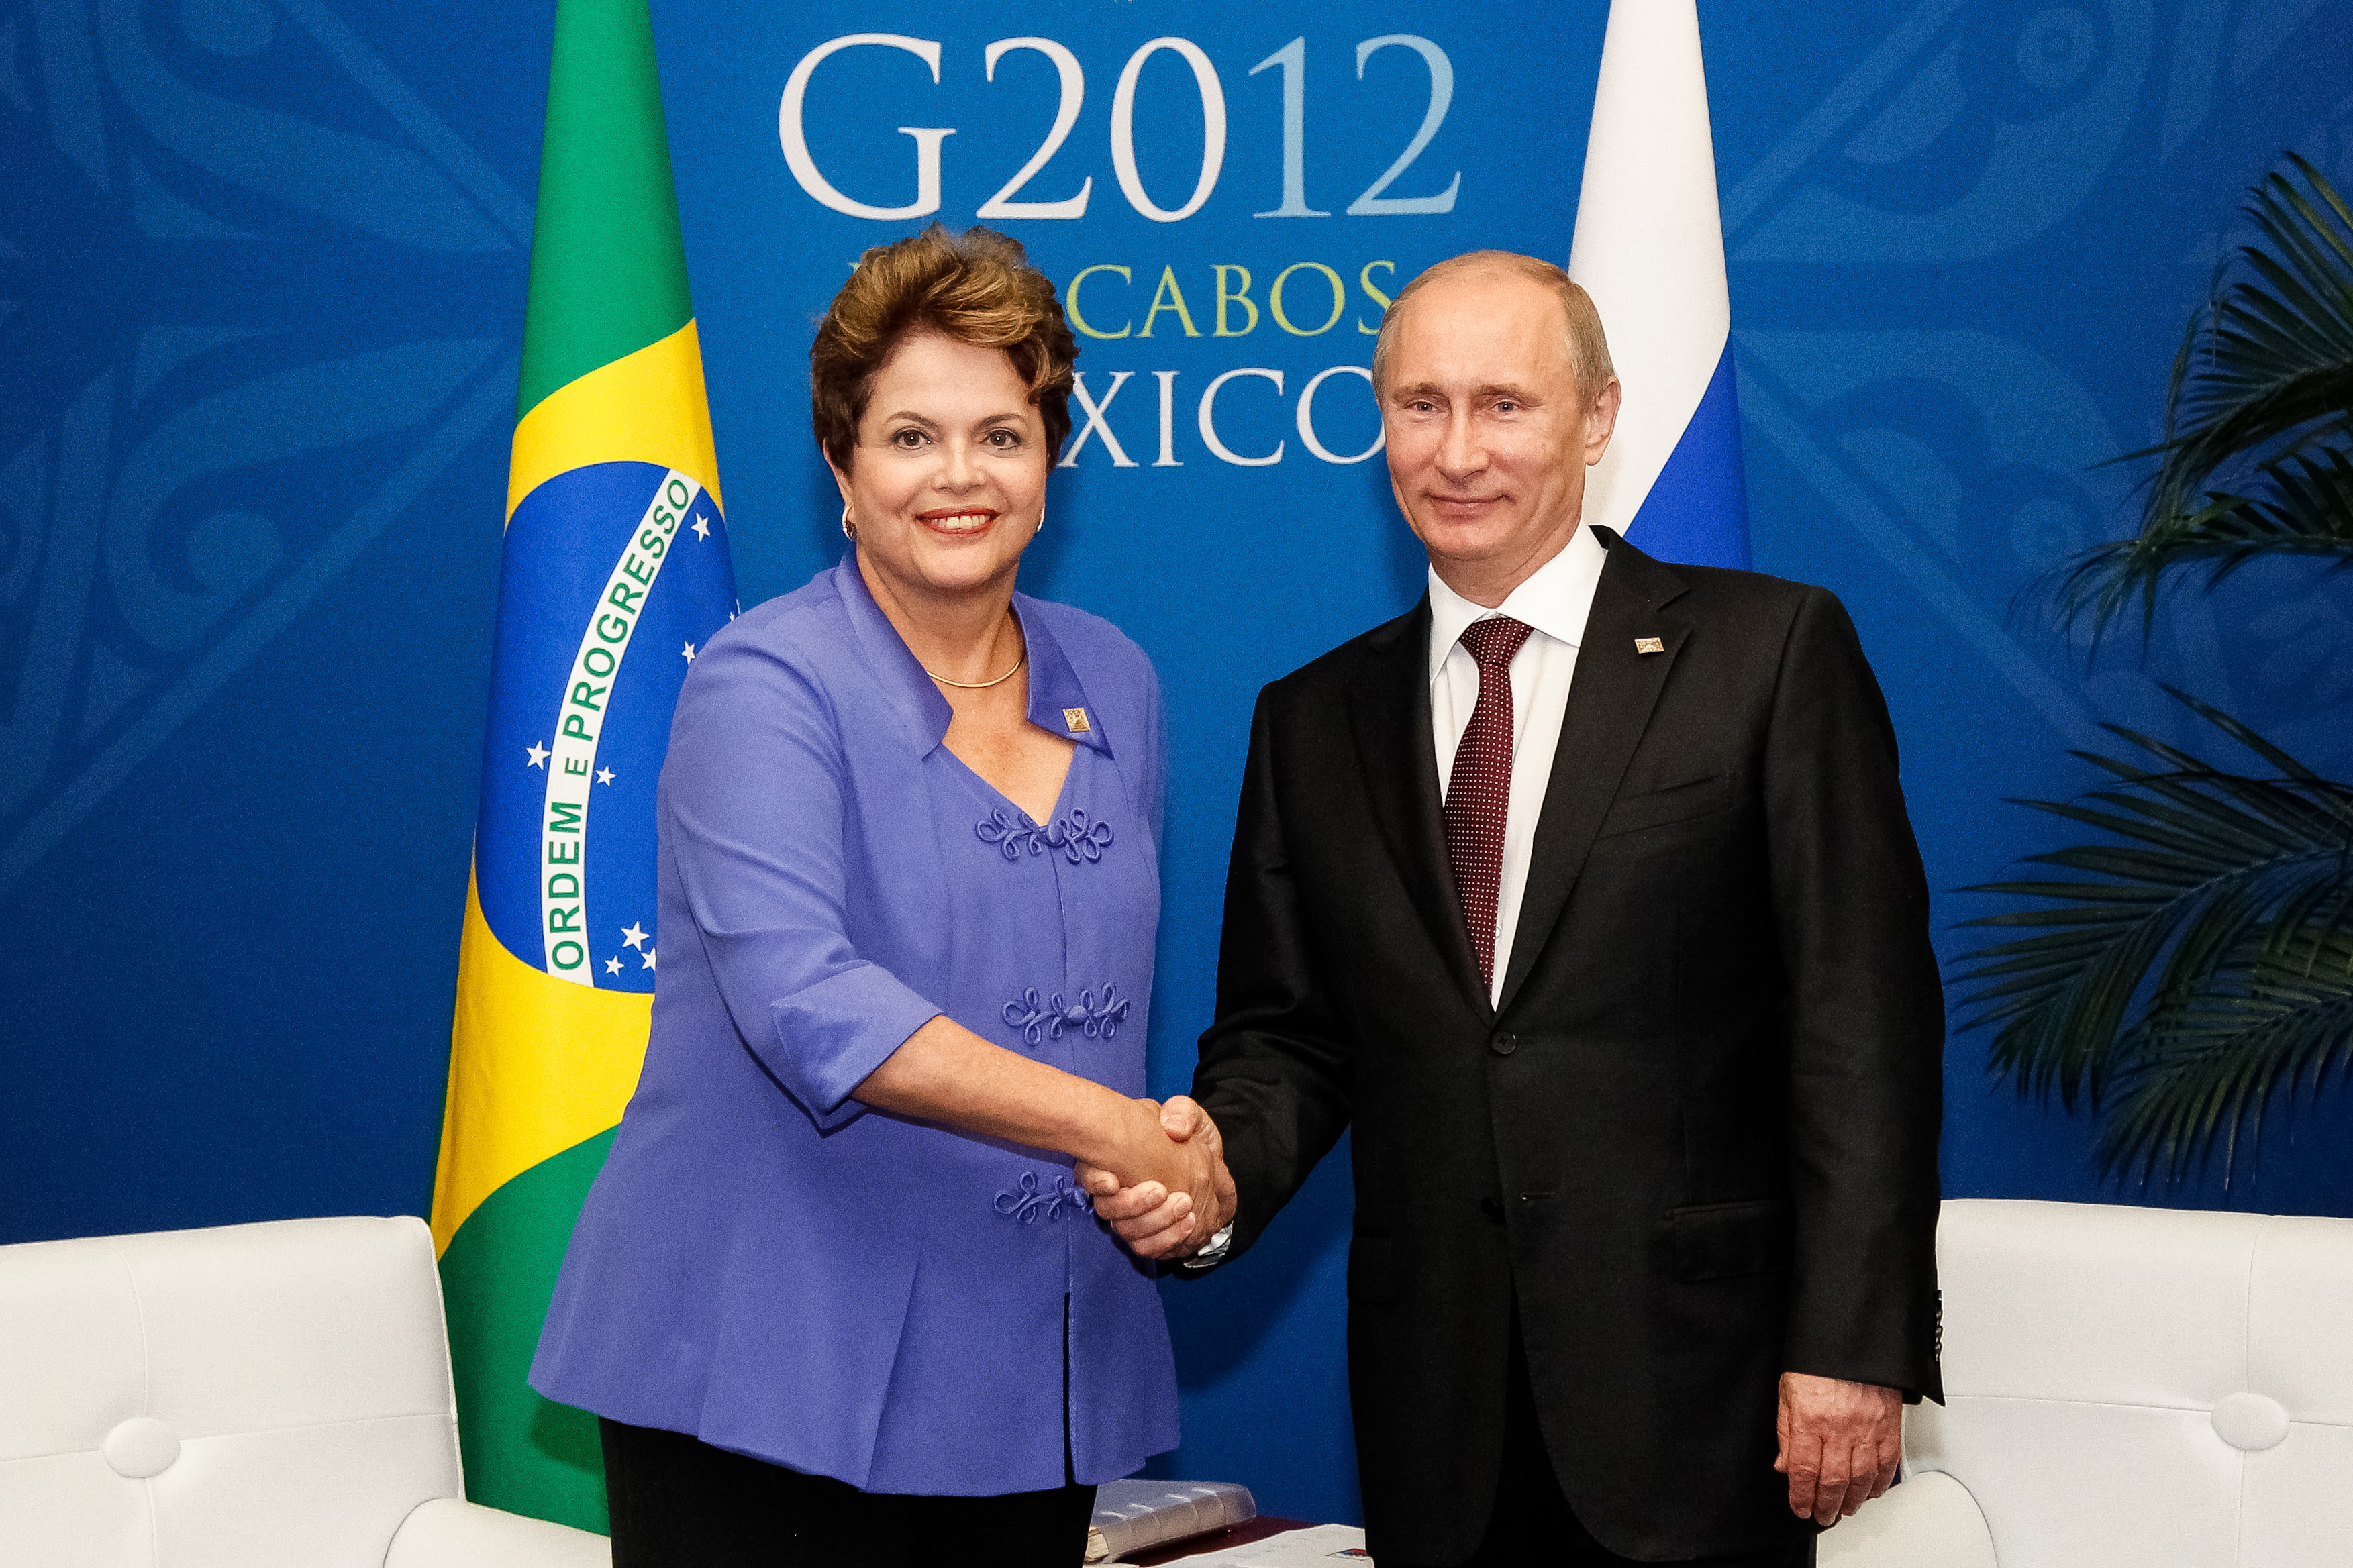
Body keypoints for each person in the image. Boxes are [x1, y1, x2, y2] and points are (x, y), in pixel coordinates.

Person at [1089, 252, 1944, 1567]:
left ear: (1596, 417)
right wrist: (1205, 1183)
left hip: (1702, 1398)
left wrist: (1848, 1341)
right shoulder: (1311, 718)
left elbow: (1860, 1019)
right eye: (1419, 404)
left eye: (1504, 404)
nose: (1456, 450)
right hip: (1439, 1415)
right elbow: (1288, 1039)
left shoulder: (1767, 654)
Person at [531, 223, 1232, 1568]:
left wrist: (1161, 1180)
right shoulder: (764, 681)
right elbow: (810, 1004)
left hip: (1040, 1357)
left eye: (1001, 434)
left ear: (1049, 461)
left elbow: (1098, 999)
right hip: (770, 1365)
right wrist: (1122, 1129)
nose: (959, 475)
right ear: (842, 470)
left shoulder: (1119, 677)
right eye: (911, 437)